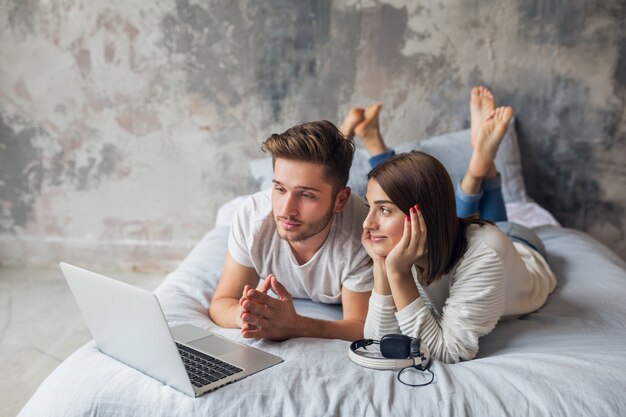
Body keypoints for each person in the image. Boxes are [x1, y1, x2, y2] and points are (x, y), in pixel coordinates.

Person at [351, 86, 557, 363]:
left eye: (384, 210)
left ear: (419, 217)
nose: (367, 224)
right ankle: (480, 162)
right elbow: (379, 341)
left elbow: (449, 352)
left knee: (496, 225)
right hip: (459, 232)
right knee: (448, 211)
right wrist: (380, 265)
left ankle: (479, 167)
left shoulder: (486, 253)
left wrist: (397, 274)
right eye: (369, 208)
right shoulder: (397, 246)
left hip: (521, 247)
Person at [209, 120, 373, 342]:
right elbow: (222, 302)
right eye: (279, 189)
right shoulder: (253, 217)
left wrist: (296, 325)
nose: (286, 210)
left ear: (340, 200)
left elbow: (360, 327)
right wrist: (245, 316)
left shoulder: (363, 234)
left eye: (306, 195)